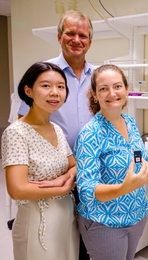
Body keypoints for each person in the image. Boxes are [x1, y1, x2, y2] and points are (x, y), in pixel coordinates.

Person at [17, 10, 94, 259]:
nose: (76, 39)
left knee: (86, 237)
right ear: (60, 37)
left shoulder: (98, 77)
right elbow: (24, 125)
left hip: (89, 170)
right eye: (70, 33)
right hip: (55, 174)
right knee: (55, 239)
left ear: (89, 42)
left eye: (82, 35)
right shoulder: (46, 74)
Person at [73, 64, 148, 260]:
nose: (112, 93)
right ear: (94, 94)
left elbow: (138, 158)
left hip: (137, 214)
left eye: (117, 86)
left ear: (126, 89)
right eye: (103, 88)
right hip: (105, 222)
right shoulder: (90, 134)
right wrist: (124, 187)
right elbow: (86, 190)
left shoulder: (130, 122)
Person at [1, 61, 78, 259]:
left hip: (67, 218)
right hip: (38, 225)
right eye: (46, 86)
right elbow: (17, 190)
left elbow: (74, 165)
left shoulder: (57, 129)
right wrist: (62, 188)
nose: (55, 92)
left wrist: (65, 178)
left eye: (60, 87)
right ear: (28, 90)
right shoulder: (16, 133)